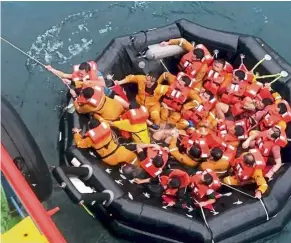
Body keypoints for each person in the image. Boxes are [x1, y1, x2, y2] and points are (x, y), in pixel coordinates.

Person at [72, 119, 138, 166]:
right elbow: (103, 121)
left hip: (109, 160)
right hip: (120, 152)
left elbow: (79, 144)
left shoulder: (90, 139)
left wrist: (76, 133)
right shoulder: (107, 128)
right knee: (134, 158)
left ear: (90, 129)